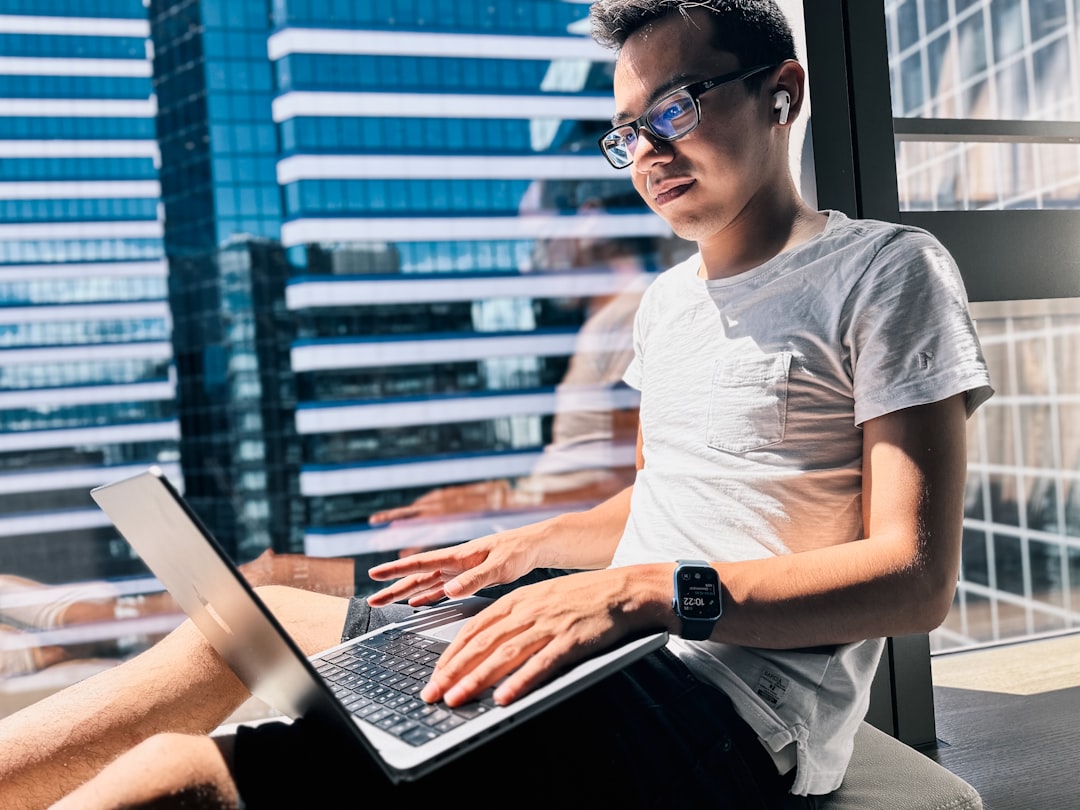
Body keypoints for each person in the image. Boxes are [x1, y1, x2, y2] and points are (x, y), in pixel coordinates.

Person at [0, 1, 993, 807]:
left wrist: (638, 592)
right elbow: (656, 499)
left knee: (178, 781)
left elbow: (913, 581)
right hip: (615, 644)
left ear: (782, 93)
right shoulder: (666, 304)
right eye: (629, 131)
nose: (649, 149)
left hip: (734, 705)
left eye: (677, 108)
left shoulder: (886, 273)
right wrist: (536, 544)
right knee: (236, 624)